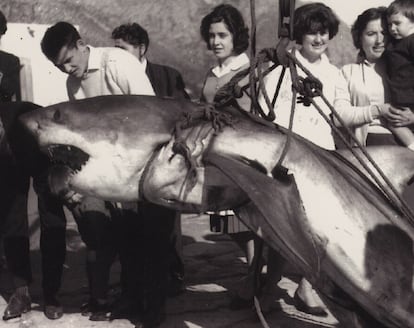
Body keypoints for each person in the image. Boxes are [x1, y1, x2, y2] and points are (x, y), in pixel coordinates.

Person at [40, 21, 155, 323]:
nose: (66, 69)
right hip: (110, 169)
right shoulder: (73, 85)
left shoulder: (116, 63)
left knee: (144, 237)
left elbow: (152, 111)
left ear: (80, 44)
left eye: (68, 60)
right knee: (120, 236)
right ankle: (127, 298)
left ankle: (149, 305)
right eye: (58, 65)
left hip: (141, 162)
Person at [199, 4, 286, 314]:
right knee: (228, 224)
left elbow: (260, 113)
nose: (215, 41)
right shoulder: (212, 73)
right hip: (216, 155)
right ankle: (254, 278)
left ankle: (255, 285)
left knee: (248, 223)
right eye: (211, 36)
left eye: (222, 35)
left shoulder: (249, 70)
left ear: (236, 36)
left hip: (244, 156)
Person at [259, 2, 341, 316]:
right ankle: (269, 285)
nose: (318, 39)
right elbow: (268, 114)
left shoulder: (333, 75)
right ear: (299, 35)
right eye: (311, 33)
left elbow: (336, 114)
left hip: (322, 159)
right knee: (282, 228)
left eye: (323, 32)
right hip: (288, 158)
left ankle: (307, 287)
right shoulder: (281, 69)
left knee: (317, 228)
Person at [110, 22, 188, 325]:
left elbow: (182, 119)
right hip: (126, 174)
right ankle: (132, 297)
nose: (117, 55)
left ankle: (157, 307)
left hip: (161, 171)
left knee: (161, 240)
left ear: (141, 48)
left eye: (123, 49)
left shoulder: (168, 77)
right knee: (129, 239)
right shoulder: (113, 80)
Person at [0, 10, 32, 321]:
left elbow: (22, 106)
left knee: (15, 222)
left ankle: (21, 292)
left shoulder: (10, 63)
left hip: (8, 154)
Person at [334, 6, 397, 147]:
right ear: (359, 37)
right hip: (364, 149)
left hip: (404, 146)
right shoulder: (348, 72)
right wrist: (378, 110)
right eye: (371, 33)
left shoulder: (405, 70)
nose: (379, 40)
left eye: (384, 33)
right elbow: (339, 116)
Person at [382, 0, 414, 150]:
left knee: (395, 123)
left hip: (409, 98)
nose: (392, 28)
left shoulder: (411, 42)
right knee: (394, 123)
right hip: (400, 100)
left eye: (397, 23)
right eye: (389, 25)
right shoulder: (395, 44)